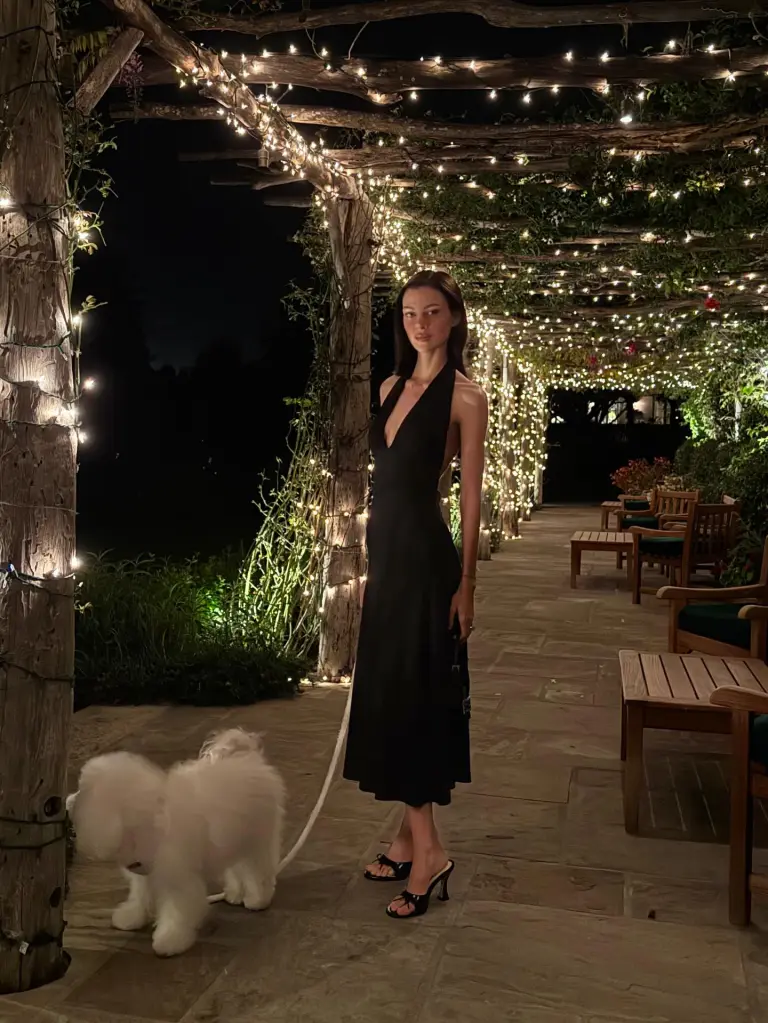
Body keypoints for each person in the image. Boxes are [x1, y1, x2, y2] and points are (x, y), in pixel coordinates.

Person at [343, 269, 488, 919]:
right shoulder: (389, 385)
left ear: (453, 318)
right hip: (387, 557)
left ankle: (429, 851)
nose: (420, 323)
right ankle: (406, 837)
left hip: (428, 562)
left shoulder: (466, 397)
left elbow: (472, 494)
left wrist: (468, 582)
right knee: (390, 688)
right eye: (408, 313)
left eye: (432, 312)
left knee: (416, 692)